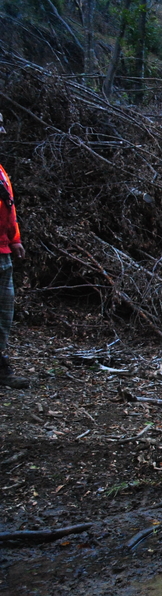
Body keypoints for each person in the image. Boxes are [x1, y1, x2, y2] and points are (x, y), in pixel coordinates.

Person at [0, 113, 28, 389]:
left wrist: (14, 238)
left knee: (4, 312)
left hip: (3, 251)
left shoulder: (0, 171)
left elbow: (9, 207)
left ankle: (1, 364)